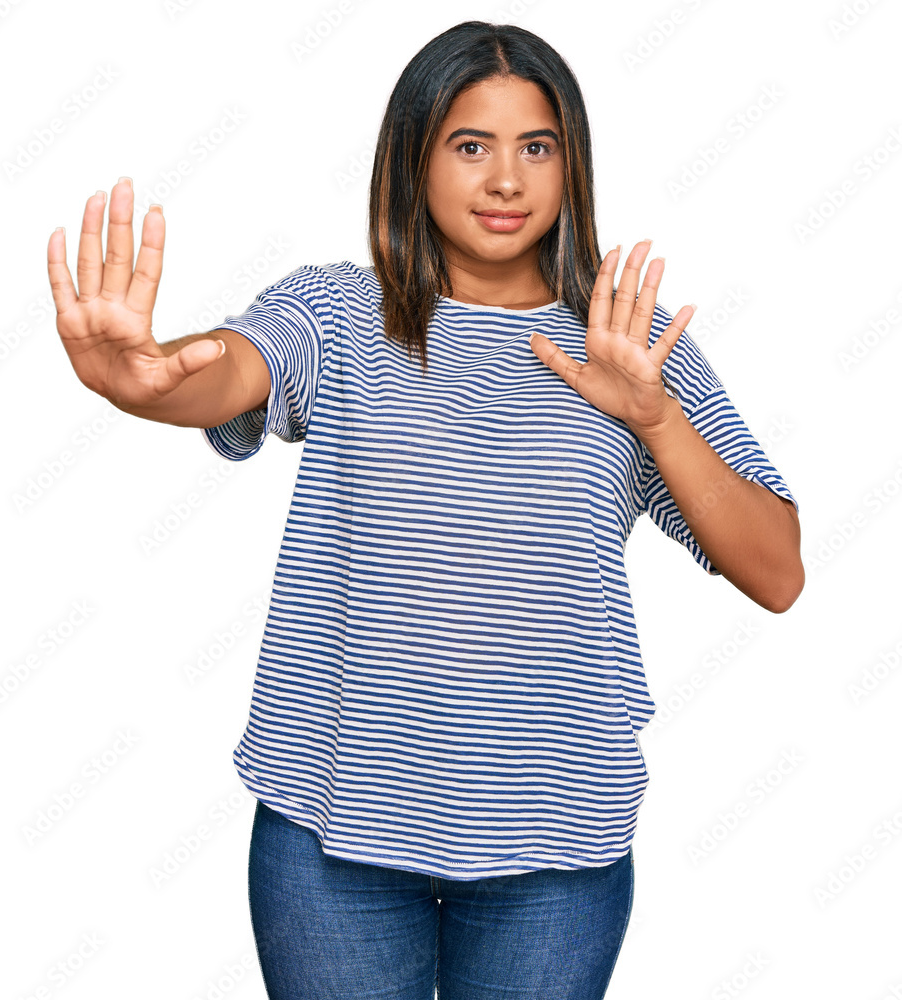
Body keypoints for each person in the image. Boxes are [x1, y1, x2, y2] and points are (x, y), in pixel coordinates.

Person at [46, 20, 803, 1000]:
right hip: (331, 836)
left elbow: (776, 569)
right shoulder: (337, 315)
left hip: (555, 841)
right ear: (413, 157)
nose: (506, 180)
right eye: (469, 145)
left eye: (537, 147)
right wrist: (144, 382)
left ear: (572, 163)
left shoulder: (629, 339)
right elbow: (228, 371)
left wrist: (656, 420)